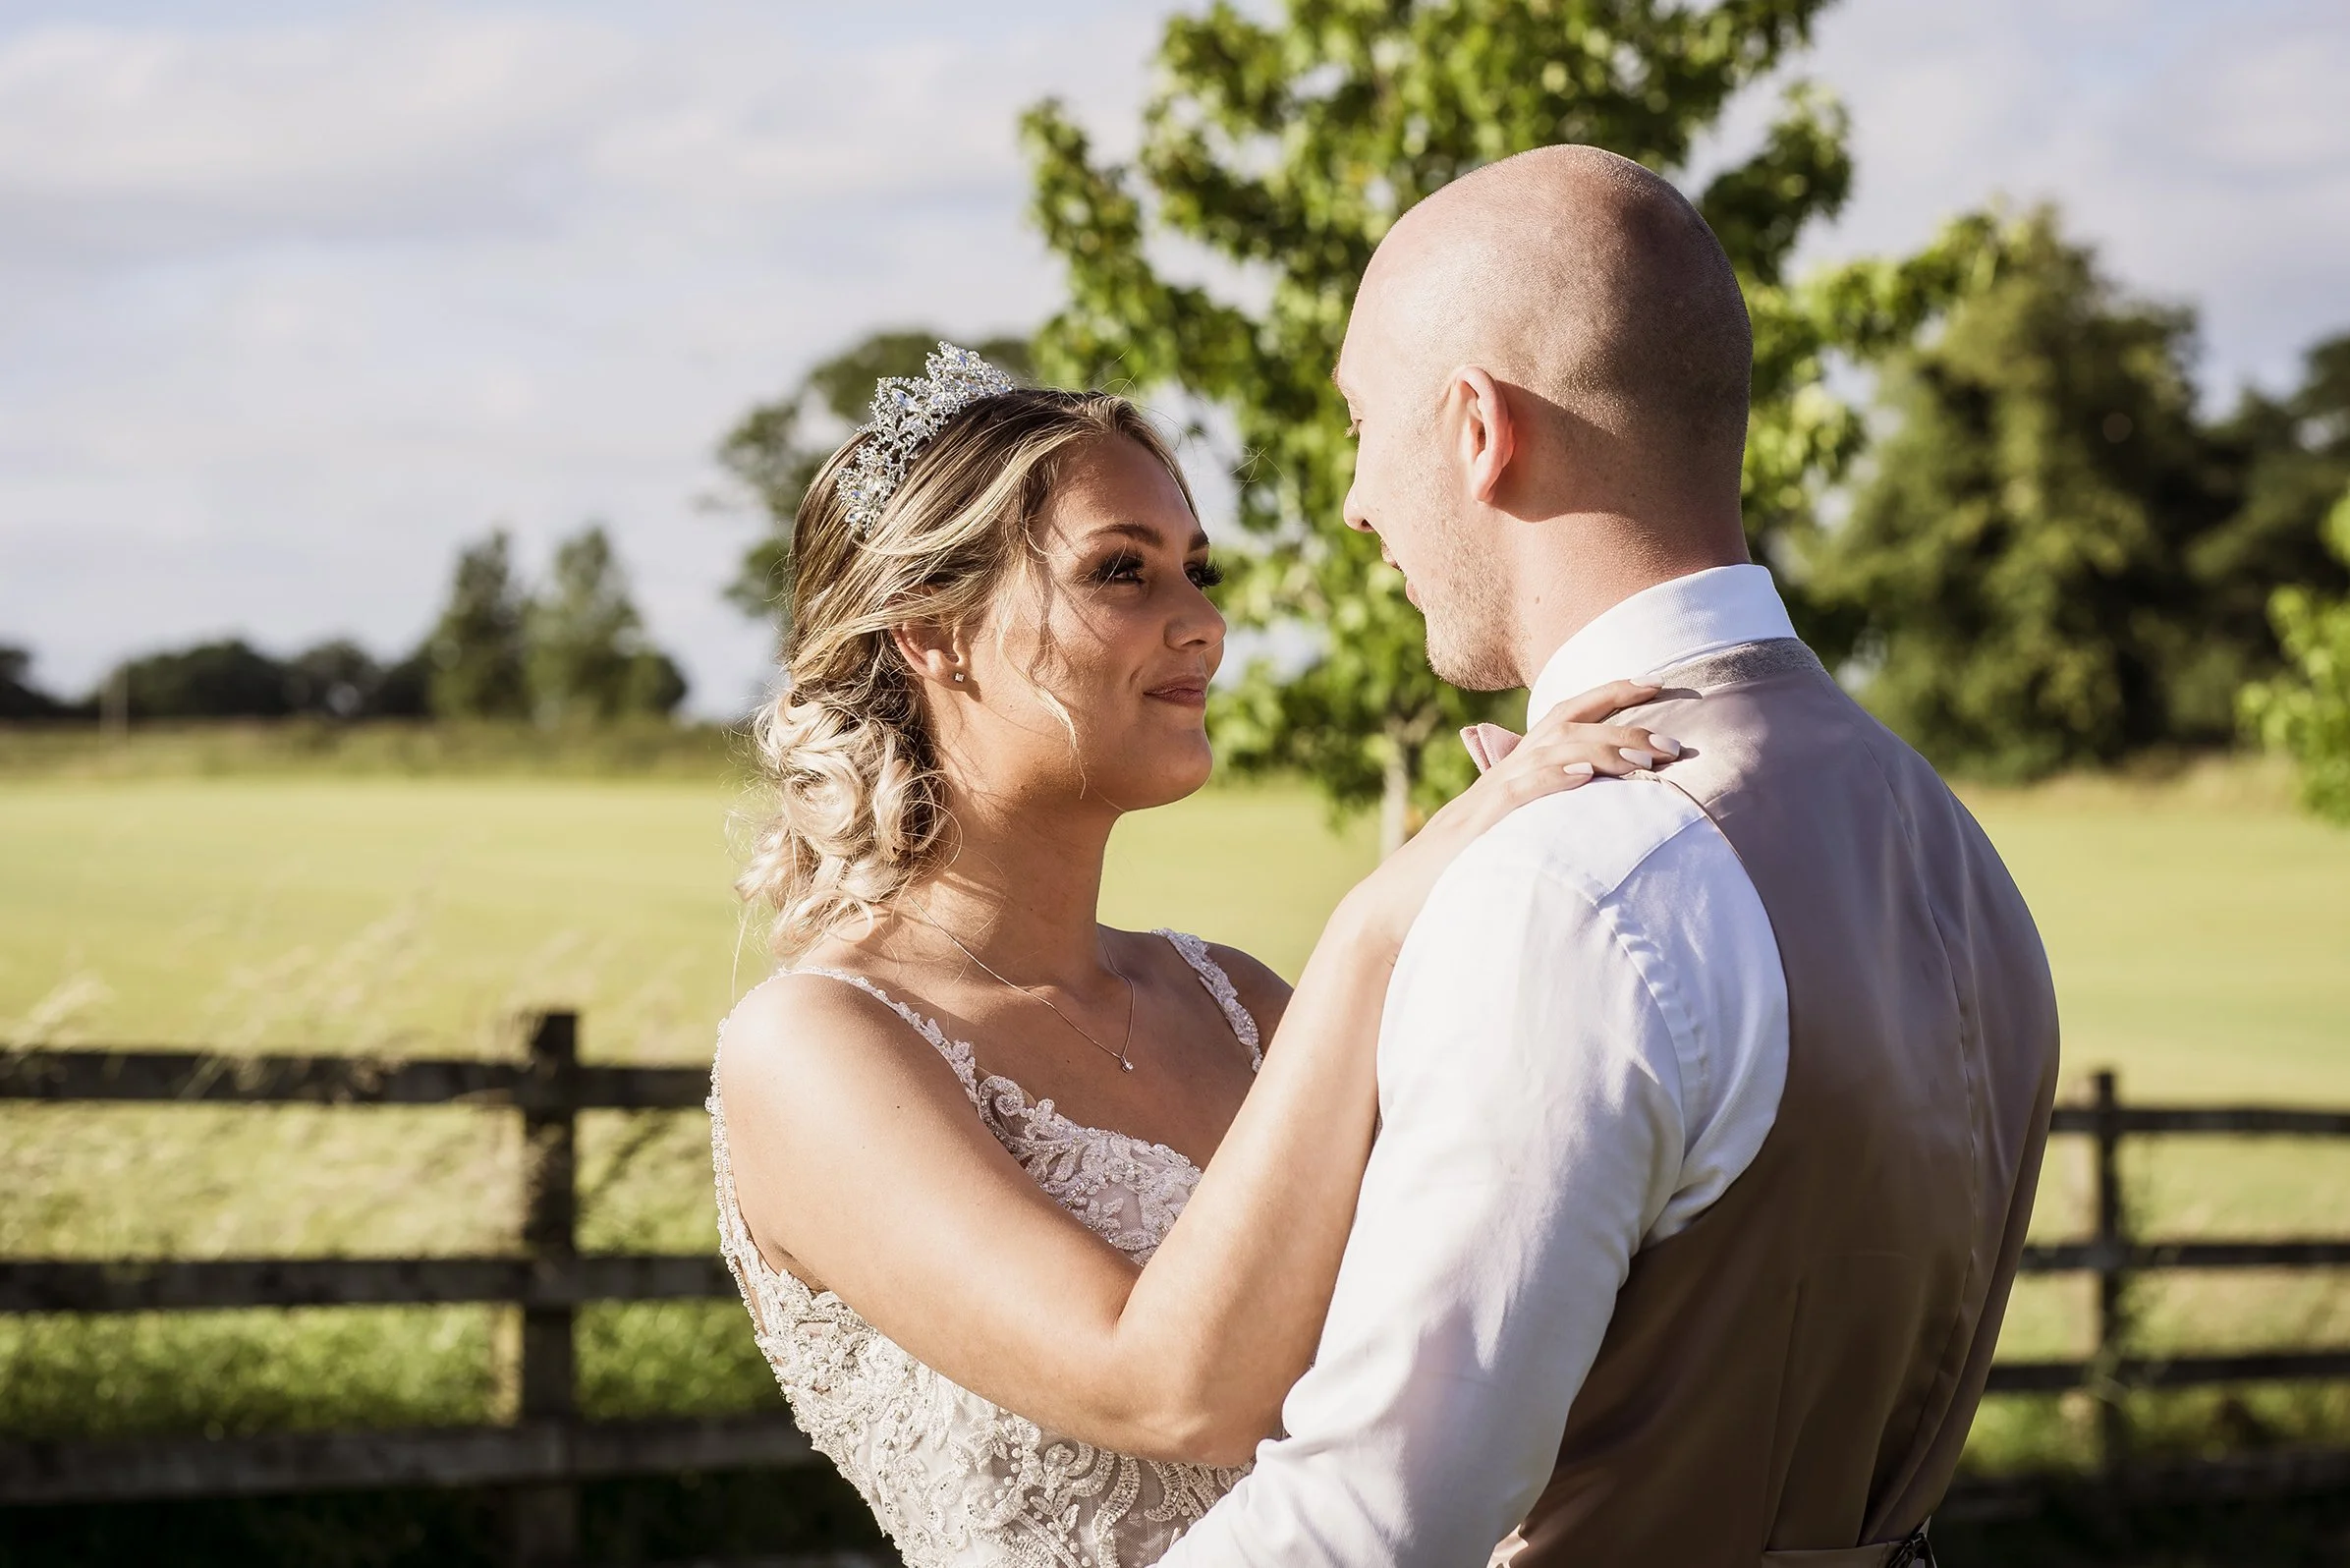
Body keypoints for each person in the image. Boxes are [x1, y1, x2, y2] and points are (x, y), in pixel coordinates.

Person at [1156, 145, 2061, 1567]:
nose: (1352, 502)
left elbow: (1377, 1520)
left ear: (1474, 429)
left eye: (1359, 425)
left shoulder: (1579, 884)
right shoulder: (1946, 840)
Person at [707, 343, 1686, 1568]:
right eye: (1122, 570)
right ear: (932, 634)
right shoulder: (816, 1046)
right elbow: (1162, 1390)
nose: (1205, 626)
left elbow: (1487, 1335)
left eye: (1198, 571)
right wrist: (1378, 927)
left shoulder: (1236, 1004)